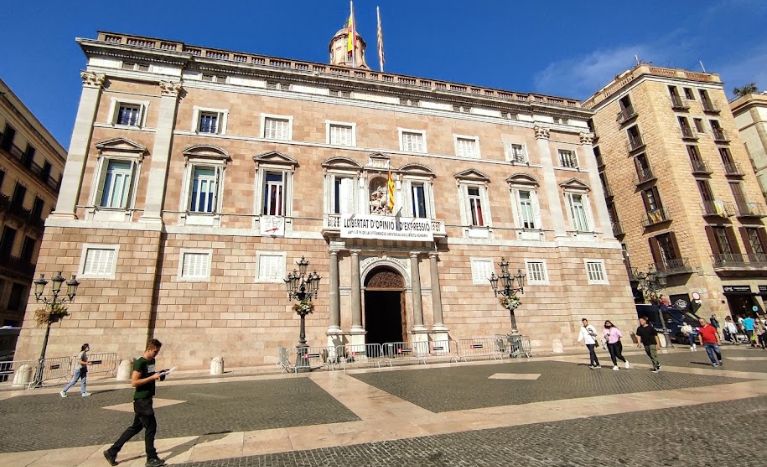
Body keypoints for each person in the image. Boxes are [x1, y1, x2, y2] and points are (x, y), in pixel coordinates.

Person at [104, 339, 167, 467]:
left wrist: (160, 375)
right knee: (151, 427)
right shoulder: (140, 362)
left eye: (158, 352)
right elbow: (134, 382)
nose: (156, 354)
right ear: (149, 349)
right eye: (155, 351)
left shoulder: (151, 361)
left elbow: (150, 375)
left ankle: (112, 451)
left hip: (147, 399)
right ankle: (151, 458)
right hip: (141, 401)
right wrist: (152, 377)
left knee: (135, 428)